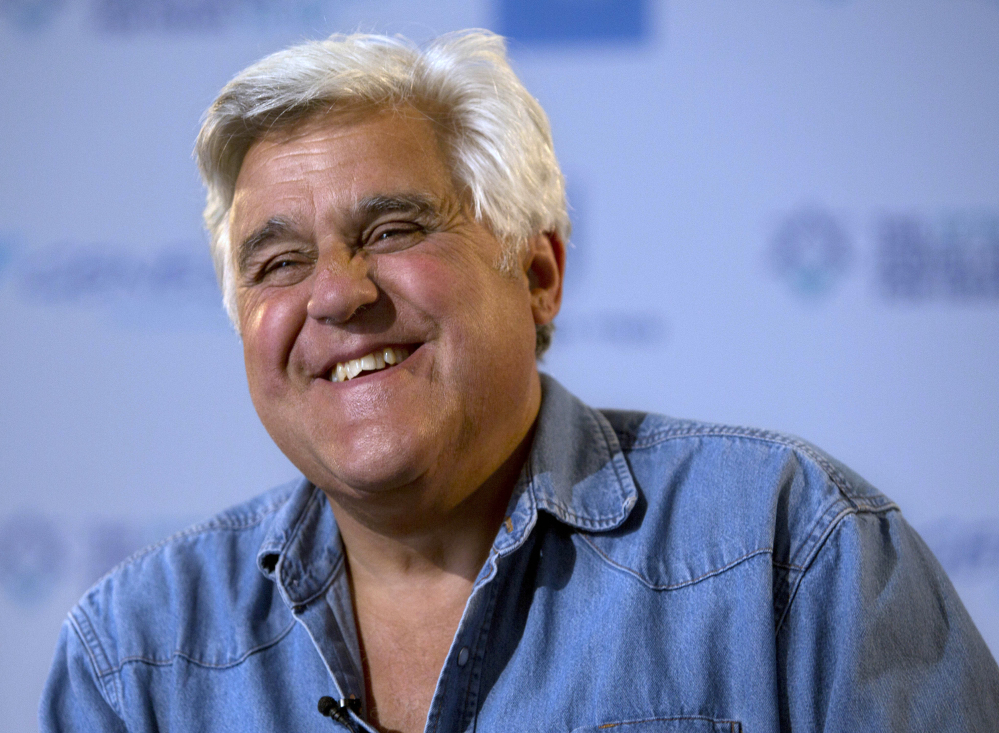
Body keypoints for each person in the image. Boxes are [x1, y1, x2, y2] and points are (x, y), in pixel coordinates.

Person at [40, 30, 999, 733]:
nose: (337, 293)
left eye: (392, 231)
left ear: (538, 273)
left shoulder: (789, 552)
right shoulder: (134, 661)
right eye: (277, 262)